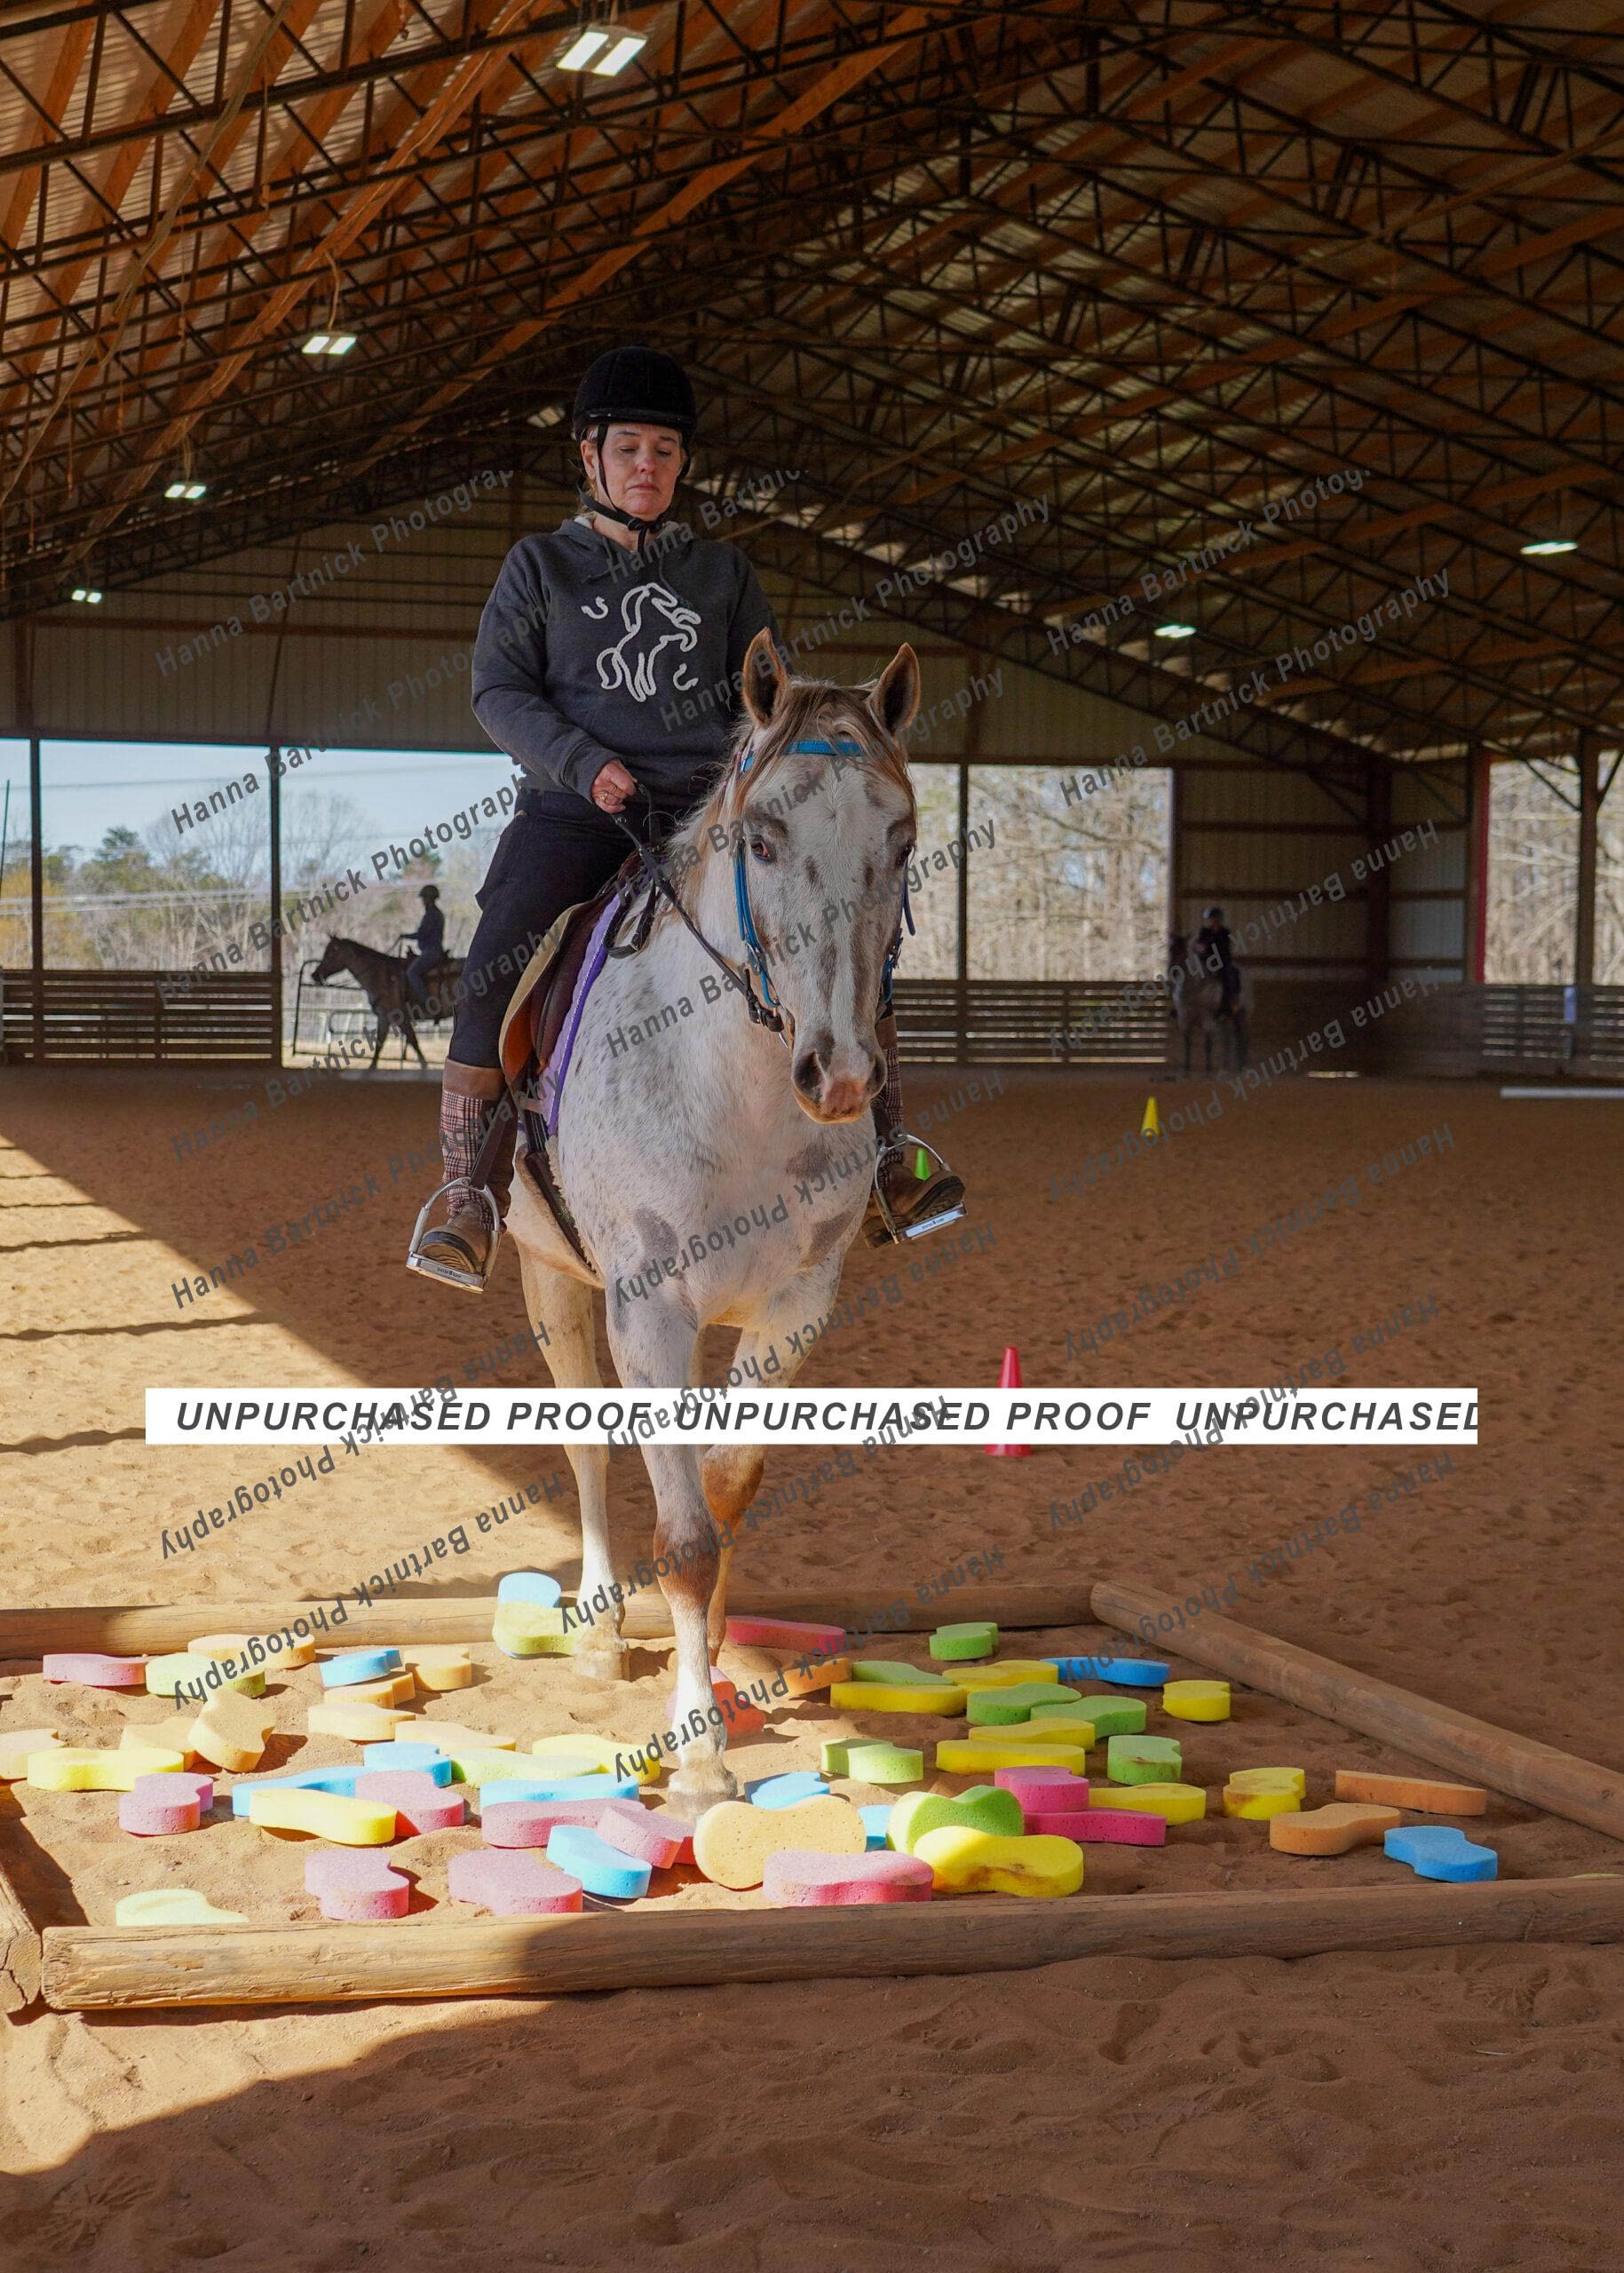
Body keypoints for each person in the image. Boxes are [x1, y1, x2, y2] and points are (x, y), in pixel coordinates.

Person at [406, 342, 963, 1291]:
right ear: (590, 455)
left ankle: (885, 1157)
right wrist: (585, 765)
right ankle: (469, 1191)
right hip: (576, 811)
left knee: (842, 923)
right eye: (628, 448)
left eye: (664, 451)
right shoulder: (539, 567)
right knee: (498, 953)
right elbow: (498, 690)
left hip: (702, 815)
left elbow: (767, 702)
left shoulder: (721, 574)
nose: (647, 466)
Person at [402, 884, 444, 1011]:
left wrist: (405, 936)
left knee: (412, 972)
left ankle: (427, 1003)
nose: (423, 901)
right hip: (430, 951)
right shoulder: (434, 914)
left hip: (431, 952)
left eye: (424, 898)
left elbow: (422, 934)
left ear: (429, 899)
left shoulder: (432, 915)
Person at [1194, 903, 1240, 1013]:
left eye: (1215, 919)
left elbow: (1224, 948)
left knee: (1231, 975)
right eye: (1210, 919)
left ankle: (1229, 1004)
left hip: (1222, 961)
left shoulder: (1225, 932)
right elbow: (1198, 945)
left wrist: (1215, 961)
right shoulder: (1204, 931)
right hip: (1206, 960)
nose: (1212, 921)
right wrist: (1199, 948)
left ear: (1219, 920)